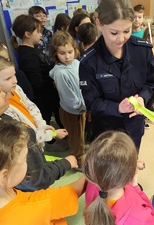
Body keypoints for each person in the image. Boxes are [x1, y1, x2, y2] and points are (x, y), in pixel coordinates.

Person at [79, 0, 154, 150]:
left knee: (131, 161)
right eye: (114, 33)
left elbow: (152, 82)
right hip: (106, 131)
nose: (121, 38)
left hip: (134, 126)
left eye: (127, 31)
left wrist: (143, 97)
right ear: (99, 24)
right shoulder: (89, 62)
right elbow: (92, 102)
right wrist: (118, 108)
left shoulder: (142, 50)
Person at [0, 69, 77, 191]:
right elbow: (35, 179)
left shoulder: (0, 116)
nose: (4, 94)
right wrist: (65, 163)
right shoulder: (5, 138)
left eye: (0, 90)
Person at [0, 119, 86, 225]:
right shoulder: (42, 204)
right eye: (25, 158)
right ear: (4, 176)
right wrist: (89, 175)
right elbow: (71, 192)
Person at [0, 55, 68, 149]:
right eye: (8, 79)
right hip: (29, 146)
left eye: (14, 75)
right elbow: (25, 135)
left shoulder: (16, 89)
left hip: (38, 136)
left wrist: (41, 125)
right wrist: (52, 134)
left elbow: (31, 107)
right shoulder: (2, 109)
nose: (15, 81)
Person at [84, 130, 154, 225]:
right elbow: (153, 219)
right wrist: (136, 187)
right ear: (132, 173)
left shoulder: (92, 184)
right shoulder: (139, 216)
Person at [11, 14, 62, 128]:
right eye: (38, 32)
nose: (40, 34)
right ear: (28, 34)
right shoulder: (28, 55)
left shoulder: (30, 49)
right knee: (46, 120)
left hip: (46, 94)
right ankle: (52, 142)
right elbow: (36, 82)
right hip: (43, 97)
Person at [49, 31, 86, 169]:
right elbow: (70, 99)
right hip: (72, 111)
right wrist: (85, 106)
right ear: (56, 54)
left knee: (80, 134)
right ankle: (78, 162)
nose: (67, 56)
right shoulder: (60, 73)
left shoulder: (76, 63)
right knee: (77, 140)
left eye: (70, 51)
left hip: (81, 108)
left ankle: (78, 153)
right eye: (62, 53)